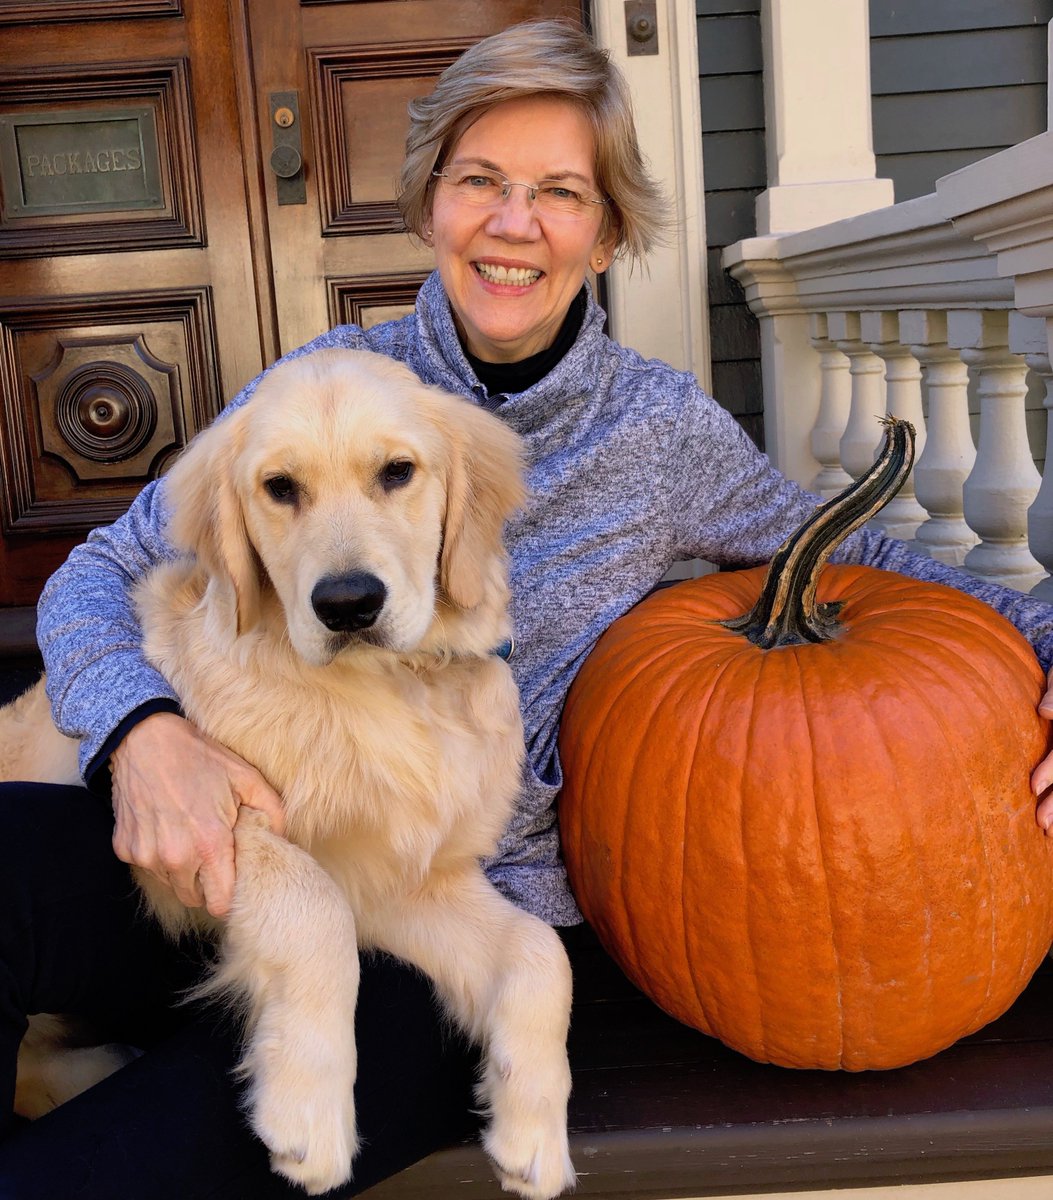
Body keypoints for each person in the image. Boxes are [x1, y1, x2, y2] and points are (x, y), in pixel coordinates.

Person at [3, 17, 1053, 1199]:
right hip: (211, 848)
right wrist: (142, 732)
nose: (514, 224)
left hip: (438, 926)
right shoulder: (308, 395)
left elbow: (881, 570)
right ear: (431, 206)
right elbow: (100, 569)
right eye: (480, 183)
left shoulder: (660, 438)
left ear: (606, 232)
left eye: (559, 193)